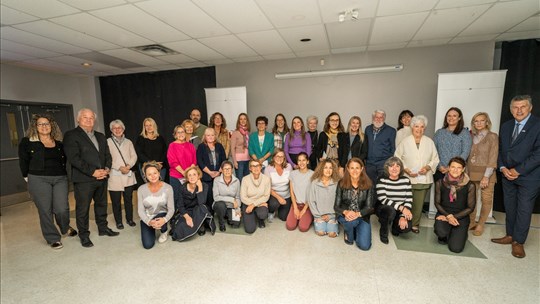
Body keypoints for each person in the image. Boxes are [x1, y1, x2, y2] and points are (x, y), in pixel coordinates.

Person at [18, 114, 77, 249]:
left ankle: (64, 227)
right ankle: (52, 237)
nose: (44, 126)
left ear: (52, 126)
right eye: (40, 124)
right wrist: (27, 178)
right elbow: (23, 161)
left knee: (62, 208)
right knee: (45, 210)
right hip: (38, 179)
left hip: (60, 178)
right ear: (35, 126)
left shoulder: (59, 143)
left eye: (47, 124)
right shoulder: (27, 142)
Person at [492, 95, 540, 259]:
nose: (519, 110)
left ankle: (518, 242)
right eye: (515, 107)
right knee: (510, 207)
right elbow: (500, 150)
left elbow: (538, 154)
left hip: (529, 176)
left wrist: (518, 170)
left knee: (524, 209)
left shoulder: (538, 125)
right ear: (511, 109)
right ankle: (510, 235)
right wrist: (503, 167)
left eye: (523, 107)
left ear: (530, 108)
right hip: (507, 175)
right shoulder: (506, 126)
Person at [64, 108, 118, 248]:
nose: (88, 120)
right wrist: (93, 172)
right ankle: (84, 235)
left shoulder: (100, 136)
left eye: (91, 118)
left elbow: (107, 155)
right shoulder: (71, 135)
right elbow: (74, 158)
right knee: (83, 209)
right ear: (78, 119)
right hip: (84, 179)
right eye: (85, 117)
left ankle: (103, 228)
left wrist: (106, 169)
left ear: (94, 120)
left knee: (102, 205)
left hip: (102, 177)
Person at [394, 115, 439, 234]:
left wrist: (428, 167)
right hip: (407, 177)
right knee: (404, 201)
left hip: (423, 178)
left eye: (422, 127)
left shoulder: (429, 142)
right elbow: (397, 157)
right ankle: (401, 221)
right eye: (416, 126)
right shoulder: (405, 141)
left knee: (418, 203)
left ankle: (414, 224)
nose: (419, 129)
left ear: (425, 128)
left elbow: (435, 159)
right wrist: (406, 169)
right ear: (412, 127)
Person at [434, 157, 476, 253]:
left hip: (461, 216)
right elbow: (437, 203)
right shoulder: (440, 183)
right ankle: (444, 235)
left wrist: (453, 217)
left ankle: (460, 234)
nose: (455, 170)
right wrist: (448, 216)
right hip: (444, 214)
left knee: (456, 249)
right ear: (448, 168)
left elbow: (470, 208)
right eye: (453, 167)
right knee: (441, 232)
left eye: (459, 167)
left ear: (463, 169)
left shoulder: (470, 185)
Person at [467, 112, 498, 236]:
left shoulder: (492, 136)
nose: (479, 123)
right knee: (472, 200)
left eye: (482, 120)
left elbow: (493, 157)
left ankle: (480, 224)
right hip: (471, 173)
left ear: (487, 122)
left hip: (487, 175)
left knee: (486, 200)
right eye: (476, 121)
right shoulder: (471, 136)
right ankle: (471, 222)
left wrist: (486, 176)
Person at [335, 158, 374, 250]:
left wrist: (357, 214)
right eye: (352, 168)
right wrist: (346, 212)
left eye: (357, 168)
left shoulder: (369, 184)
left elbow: (369, 207)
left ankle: (354, 227)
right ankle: (348, 232)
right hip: (345, 215)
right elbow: (336, 206)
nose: (355, 171)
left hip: (362, 215)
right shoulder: (341, 183)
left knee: (365, 246)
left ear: (362, 169)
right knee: (350, 238)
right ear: (348, 169)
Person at [107, 119, 138, 230]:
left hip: (128, 174)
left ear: (123, 129)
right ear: (111, 130)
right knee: (116, 202)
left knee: (128, 200)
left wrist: (128, 166)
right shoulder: (108, 142)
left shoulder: (129, 142)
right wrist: (119, 167)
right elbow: (107, 158)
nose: (117, 130)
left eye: (119, 127)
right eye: (115, 128)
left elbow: (134, 156)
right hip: (114, 175)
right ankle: (119, 222)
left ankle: (129, 219)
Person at [170, 166, 215, 240]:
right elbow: (180, 205)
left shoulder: (204, 186)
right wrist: (187, 218)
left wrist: (200, 187)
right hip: (186, 211)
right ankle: (196, 224)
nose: (192, 177)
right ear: (187, 178)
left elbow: (202, 202)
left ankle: (201, 224)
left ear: (198, 176)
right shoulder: (182, 188)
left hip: (199, 211)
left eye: (194, 174)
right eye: (189, 175)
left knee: (201, 208)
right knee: (179, 229)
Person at [137, 161, 175, 249]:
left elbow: (171, 209)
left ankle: (164, 230)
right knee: (148, 245)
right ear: (145, 176)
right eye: (149, 174)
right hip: (148, 216)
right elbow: (140, 210)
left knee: (161, 216)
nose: (153, 176)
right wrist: (148, 221)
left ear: (159, 173)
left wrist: (164, 220)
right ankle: (153, 228)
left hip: (162, 214)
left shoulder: (168, 188)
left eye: (155, 173)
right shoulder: (141, 189)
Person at [375, 157, 413, 244]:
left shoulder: (406, 180)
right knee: (390, 211)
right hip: (384, 208)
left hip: (400, 209)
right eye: (391, 166)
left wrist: (403, 216)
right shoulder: (381, 180)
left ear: (401, 168)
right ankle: (383, 232)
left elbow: (409, 199)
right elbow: (383, 199)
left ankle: (395, 227)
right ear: (387, 168)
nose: (394, 168)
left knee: (406, 227)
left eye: (397, 166)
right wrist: (402, 208)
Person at [433, 107, 472, 181]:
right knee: (440, 192)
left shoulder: (465, 133)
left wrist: (451, 168)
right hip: (440, 171)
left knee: (455, 192)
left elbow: (465, 152)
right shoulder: (439, 133)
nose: (451, 118)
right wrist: (439, 166)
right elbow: (434, 152)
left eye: (454, 116)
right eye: (449, 116)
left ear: (459, 118)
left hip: (457, 172)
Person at [197, 128, 226, 213]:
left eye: (212, 135)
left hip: (219, 175)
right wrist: (210, 172)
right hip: (206, 176)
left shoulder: (219, 146)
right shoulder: (201, 146)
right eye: (208, 135)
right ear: (205, 136)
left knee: (219, 195)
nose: (210, 137)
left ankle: (221, 213)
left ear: (215, 136)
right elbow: (200, 161)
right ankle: (210, 215)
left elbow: (224, 160)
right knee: (209, 197)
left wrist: (219, 172)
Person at [167, 125, 197, 209]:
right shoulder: (172, 146)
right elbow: (173, 162)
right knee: (176, 197)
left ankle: (186, 214)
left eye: (182, 132)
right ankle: (175, 216)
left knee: (188, 197)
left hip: (189, 176)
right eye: (178, 132)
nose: (180, 134)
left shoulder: (190, 145)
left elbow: (194, 161)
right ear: (175, 135)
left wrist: (189, 174)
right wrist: (184, 173)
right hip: (176, 176)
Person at [308, 159, 340, 237]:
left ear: (333, 170)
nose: (328, 170)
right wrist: (318, 216)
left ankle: (332, 224)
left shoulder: (337, 183)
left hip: (332, 215)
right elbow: (311, 201)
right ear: (321, 169)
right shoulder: (315, 183)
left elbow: (339, 203)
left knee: (332, 234)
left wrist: (332, 216)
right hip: (319, 215)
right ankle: (319, 223)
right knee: (321, 232)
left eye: (330, 168)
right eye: (325, 167)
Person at [365, 110, 396, 183]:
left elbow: (393, 148)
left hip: (383, 163)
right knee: (370, 185)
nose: (378, 119)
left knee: (383, 185)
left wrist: (389, 163)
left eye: (381, 117)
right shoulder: (368, 129)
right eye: (376, 117)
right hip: (370, 164)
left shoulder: (391, 130)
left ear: (384, 118)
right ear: (373, 118)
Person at [240, 159, 271, 233]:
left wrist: (253, 204)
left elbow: (266, 196)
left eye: (257, 166)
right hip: (248, 204)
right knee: (249, 230)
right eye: (253, 166)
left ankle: (260, 219)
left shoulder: (266, 179)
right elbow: (243, 197)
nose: (256, 168)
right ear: (250, 168)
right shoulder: (245, 179)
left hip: (258, 204)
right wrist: (255, 204)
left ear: (261, 167)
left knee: (263, 213)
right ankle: (252, 215)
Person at [287, 152, 314, 232]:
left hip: (307, 205)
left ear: (307, 161)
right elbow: (291, 192)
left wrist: (303, 210)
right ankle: (298, 216)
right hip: (296, 204)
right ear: (297, 162)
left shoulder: (312, 174)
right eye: (299, 160)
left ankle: (308, 217)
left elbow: (312, 194)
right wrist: (295, 208)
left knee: (303, 228)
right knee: (290, 226)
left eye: (304, 160)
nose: (301, 163)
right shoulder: (293, 174)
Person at [135, 117, 168, 181]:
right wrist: (152, 164)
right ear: (144, 127)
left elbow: (165, 151)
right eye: (146, 125)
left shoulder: (160, 138)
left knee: (160, 186)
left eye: (150, 125)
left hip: (160, 167)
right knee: (149, 187)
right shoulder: (140, 138)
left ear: (154, 126)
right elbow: (140, 153)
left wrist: (160, 164)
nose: (148, 127)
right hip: (146, 167)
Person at [265, 148, 293, 223]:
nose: (279, 159)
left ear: (284, 158)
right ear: (273, 157)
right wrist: (279, 198)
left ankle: (280, 208)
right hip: (274, 195)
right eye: (277, 156)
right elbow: (268, 188)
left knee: (284, 218)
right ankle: (271, 211)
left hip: (286, 195)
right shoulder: (268, 169)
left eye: (281, 156)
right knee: (274, 204)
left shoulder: (289, 167)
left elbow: (291, 184)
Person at [213, 161, 242, 231]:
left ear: (232, 170)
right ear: (222, 170)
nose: (227, 171)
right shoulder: (216, 180)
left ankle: (227, 216)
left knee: (236, 224)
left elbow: (238, 197)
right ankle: (221, 222)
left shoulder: (237, 181)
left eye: (229, 169)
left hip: (231, 206)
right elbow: (216, 197)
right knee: (221, 205)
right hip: (220, 204)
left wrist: (238, 209)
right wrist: (231, 200)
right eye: (225, 169)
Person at [230, 113, 251, 181]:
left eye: (244, 119)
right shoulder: (235, 133)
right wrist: (235, 161)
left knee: (247, 180)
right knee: (240, 180)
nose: (243, 121)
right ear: (238, 121)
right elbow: (232, 148)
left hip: (247, 159)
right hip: (239, 160)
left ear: (247, 120)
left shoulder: (248, 133)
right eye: (241, 119)